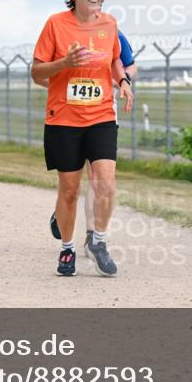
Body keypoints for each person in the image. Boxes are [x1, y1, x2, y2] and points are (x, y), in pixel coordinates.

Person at [32, 0, 133, 277]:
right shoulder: (55, 25)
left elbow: (114, 59)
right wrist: (65, 62)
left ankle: (98, 241)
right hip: (64, 118)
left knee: (106, 183)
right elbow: (36, 73)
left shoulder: (109, 24)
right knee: (70, 190)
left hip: (101, 115)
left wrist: (124, 81)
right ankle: (66, 248)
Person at [49, 30, 138, 247]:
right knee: (71, 180)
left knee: (98, 177)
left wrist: (122, 79)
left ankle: (92, 236)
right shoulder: (63, 29)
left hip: (103, 112)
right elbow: (45, 69)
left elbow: (130, 65)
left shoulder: (113, 32)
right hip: (69, 114)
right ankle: (62, 210)